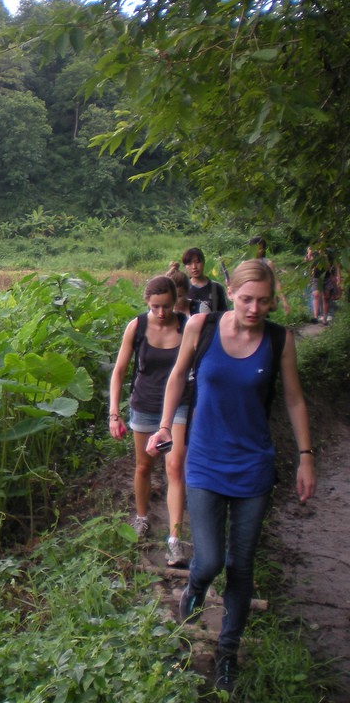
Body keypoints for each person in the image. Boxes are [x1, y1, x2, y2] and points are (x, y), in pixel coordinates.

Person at [150, 260, 316, 693]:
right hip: (204, 462)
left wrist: (306, 456)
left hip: (253, 466)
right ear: (232, 293)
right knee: (207, 561)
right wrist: (165, 425)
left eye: (263, 301)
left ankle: (227, 651)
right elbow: (175, 380)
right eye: (246, 299)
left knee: (241, 566)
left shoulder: (279, 340)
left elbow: (295, 400)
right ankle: (189, 605)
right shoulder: (201, 327)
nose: (255, 308)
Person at [108, 275, 190, 566]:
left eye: (166, 306)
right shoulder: (137, 327)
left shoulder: (186, 325)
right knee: (144, 465)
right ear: (147, 303)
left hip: (179, 404)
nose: (161, 313)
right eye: (155, 306)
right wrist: (114, 413)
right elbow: (119, 371)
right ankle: (141, 517)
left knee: (174, 467)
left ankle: (174, 540)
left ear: (175, 301)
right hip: (144, 404)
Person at [182, 247, 228, 314]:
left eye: (197, 262)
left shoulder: (216, 287)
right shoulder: (183, 289)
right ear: (185, 266)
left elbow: (224, 314)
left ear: (203, 262)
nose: (194, 267)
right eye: (189, 264)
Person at [249, 236, 289, 312]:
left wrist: (284, 301)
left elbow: (276, 282)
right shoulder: (246, 263)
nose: (258, 251)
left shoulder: (267, 263)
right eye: (255, 249)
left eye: (260, 248)